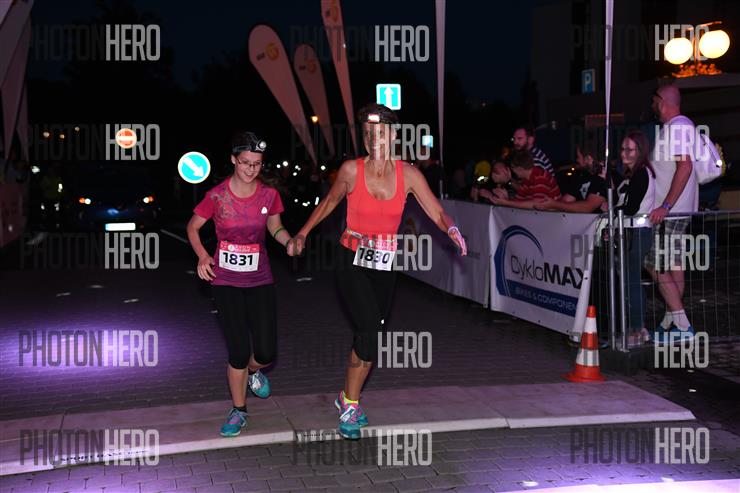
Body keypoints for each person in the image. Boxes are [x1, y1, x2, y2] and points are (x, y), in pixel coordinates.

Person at [288, 103, 467, 440]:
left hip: (384, 264)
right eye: (368, 133)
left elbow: (436, 211)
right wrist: (302, 233)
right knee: (368, 329)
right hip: (351, 259)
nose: (373, 139)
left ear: (394, 136)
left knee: (371, 338)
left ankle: (346, 395)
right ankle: (350, 405)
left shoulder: (409, 175)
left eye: (380, 132)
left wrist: (452, 230)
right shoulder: (351, 171)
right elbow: (329, 203)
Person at [186, 131, 293, 437]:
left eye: (257, 164)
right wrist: (203, 256)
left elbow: (275, 227)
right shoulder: (217, 196)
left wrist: (289, 242)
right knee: (237, 351)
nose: (251, 169)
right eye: (245, 162)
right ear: (233, 160)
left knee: (266, 351)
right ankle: (239, 410)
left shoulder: (269, 195)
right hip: (225, 281)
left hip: (260, 280)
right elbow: (193, 227)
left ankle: (253, 372)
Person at [646, 84, 699, 343]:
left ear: (661, 101)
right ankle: (671, 321)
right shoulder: (679, 126)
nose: (651, 105)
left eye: (653, 101)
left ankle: (682, 324)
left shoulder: (677, 127)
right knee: (674, 265)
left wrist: (665, 206)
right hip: (676, 212)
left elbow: (684, 167)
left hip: (670, 213)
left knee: (653, 263)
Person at [615, 130, 656, 346]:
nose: (624, 153)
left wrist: (611, 211)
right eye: (623, 149)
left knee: (631, 282)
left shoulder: (641, 174)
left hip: (637, 231)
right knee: (631, 281)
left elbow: (630, 207)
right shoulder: (636, 174)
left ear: (640, 151)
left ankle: (637, 329)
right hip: (634, 231)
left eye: (629, 150)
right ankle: (637, 329)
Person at [535, 148, 608, 213]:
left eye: (578, 157)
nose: (577, 160)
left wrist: (555, 204)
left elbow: (587, 207)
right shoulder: (582, 177)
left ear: (588, 159)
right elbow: (566, 200)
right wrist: (547, 205)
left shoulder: (603, 177)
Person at [491, 150, 560, 209]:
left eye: (512, 168)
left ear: (520, 169)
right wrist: (505, 198)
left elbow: (536, 205)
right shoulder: (527, 180)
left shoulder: (540, 177)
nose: (512, 171)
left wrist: (506, 202)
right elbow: (519, 201)